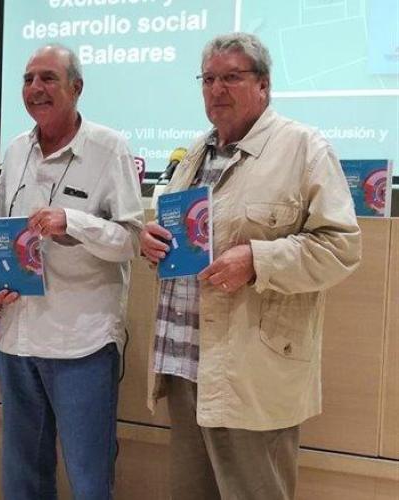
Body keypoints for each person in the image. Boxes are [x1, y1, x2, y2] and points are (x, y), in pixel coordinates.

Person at [140, 33, 361, 500]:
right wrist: (153, 240)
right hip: (185, 367)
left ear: (264, 85)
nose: (217, 89)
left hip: (250, 375)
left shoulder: (304, 148)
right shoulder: (195, 153)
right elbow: (184, 236)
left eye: (232, 77)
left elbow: (341, 247)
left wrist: (259, 261)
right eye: (208, 79)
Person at [0, 44, 143, 500]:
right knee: (22, 480)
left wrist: (73, 222)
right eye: (28, 79)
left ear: (77, 87)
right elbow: (4, 234)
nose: (36, 88)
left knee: (89, 480)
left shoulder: (109, 148)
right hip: (17, 339)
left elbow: (131, 239)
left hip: (81, 343)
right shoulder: (16, 150)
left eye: (48, 78)